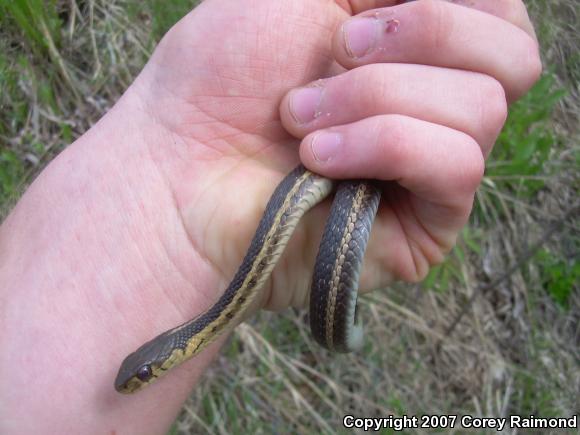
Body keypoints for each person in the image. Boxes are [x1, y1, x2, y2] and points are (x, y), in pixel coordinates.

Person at [0, 0, 541, 432]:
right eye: (143, 374)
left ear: (171, 354)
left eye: (146, 374)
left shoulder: (212, 308)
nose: (142, 378)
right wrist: (169, 205)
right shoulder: (210, 303)